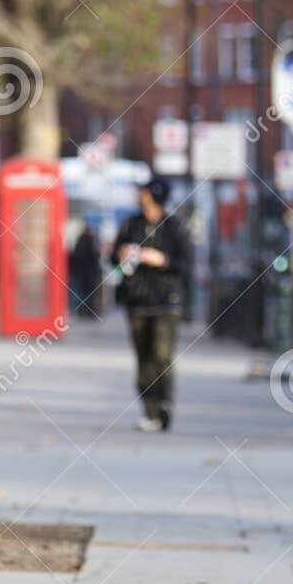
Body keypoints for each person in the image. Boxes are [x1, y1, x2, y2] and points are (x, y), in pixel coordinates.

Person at [111, 177, 190, 433]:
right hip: (136, 300)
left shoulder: (174, 227)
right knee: (143, 358)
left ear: (153, 195)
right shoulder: (130, 225)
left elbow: (185, 264)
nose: (139, 195)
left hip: (167, 301)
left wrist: (162, 260)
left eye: (143, 191)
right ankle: (149, 410)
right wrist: (122, 255)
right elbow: (112, 258)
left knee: (161, 356)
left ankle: (165, 403)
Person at [68, 223, 102, 318]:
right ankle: (89, 312)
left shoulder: (80, 241)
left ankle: (83, 311)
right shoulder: (91, 241)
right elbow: (94, 257)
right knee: (89, 293)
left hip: (81, 272)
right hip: (89, 273)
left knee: (82, 293)